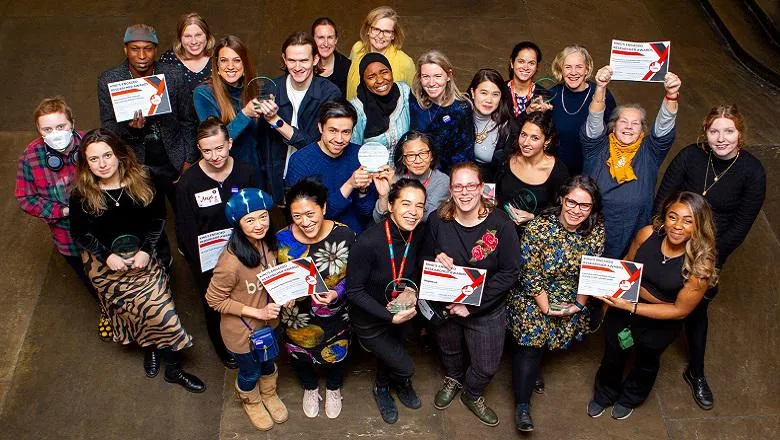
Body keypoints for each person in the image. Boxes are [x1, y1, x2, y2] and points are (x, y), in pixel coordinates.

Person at [69, 128, 204, 393]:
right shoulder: (82, 194)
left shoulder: (143, 178)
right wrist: (107, 257)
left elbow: (158, 219)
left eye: (107, 155)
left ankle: (174, 369)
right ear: (86, 163)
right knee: (131, 312)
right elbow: (79, 233)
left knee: (161, 313)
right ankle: (149, 348)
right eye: (94, 159)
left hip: (146, 257)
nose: (103, 164)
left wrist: (145, 250)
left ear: (118, 154)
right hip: (106, 265)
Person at [654, 104, 766, 410]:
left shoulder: (752, 172)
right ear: (705, 131)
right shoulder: (691, 156)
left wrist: (706, 259)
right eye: (714, 130)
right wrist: (660, 240)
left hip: (710, 252)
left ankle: (697, 372)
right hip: (672, 240)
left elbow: (741, 225)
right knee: (657, 294)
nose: (721, 138)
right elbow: (664, 198)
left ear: (740, 134)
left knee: (695, 310)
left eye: (729, 131)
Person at [589, 192, 718, 420]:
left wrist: (632, 306)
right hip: (624, 305)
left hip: (659, 322)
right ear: (665, 217)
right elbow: (627, 266)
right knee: (613, 353)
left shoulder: (700, 265)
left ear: (699, 225)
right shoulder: (647, 234)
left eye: (688, 221)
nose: (678, 226)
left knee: (646, 362)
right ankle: (604, 394)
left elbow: (679, 311)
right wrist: (610, 304)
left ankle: (630, 397)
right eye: (673, 217)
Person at [424, 162, 521, 427]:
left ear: (481, 188)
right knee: (450, 352)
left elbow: (510, 272)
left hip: (485, 309)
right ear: (451, 190)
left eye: (470, 186)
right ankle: (454, 378)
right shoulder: (437, 220)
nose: (464, 192)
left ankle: (472, 393)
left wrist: (472, 305)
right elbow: (423, 257)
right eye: (458, 186)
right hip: (446, 304)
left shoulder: (500, 223)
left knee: (487, 366)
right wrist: (435, 257)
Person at [507, 175, 605, 432]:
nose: (576, 210)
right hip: (534, 294)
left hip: (572, 295)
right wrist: (546, 307)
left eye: (585, 206)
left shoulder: (596, 230)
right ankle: (522, 405)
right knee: (531, 343)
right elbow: (529, 273)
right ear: (562, 199)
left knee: (545, 341)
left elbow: (591, 271)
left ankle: (534, 367)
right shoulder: (539, 227)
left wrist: (579, 304)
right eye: (572, 202)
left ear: (593, 208)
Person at [15, 97, 111, 341]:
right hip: (67, 236)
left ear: (72, 124)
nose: (55, 133)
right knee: (90, 278)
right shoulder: (31, 157)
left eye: (60, 127)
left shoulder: (93, 144)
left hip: (104, 228)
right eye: (47, 129)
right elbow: (26, 198)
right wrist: (64, 211)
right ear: (39, 131)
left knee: (115, 270)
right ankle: (108, 311)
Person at [175, 117, 258, 368]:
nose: (214, 156)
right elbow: (186, 231)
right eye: (207, 150)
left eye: (219, 148)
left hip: (247, 251)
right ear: (199, 150)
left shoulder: (246, 172)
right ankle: (224, 348)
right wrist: (202, 267)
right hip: (210, 259)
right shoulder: (189, 183)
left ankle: (254, 339)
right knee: (216, 303)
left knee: (249, 297)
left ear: (229, 143)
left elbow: (258, 211)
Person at [206, 188, 288, 431]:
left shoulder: (268, 245)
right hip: (242, 334)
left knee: (269, 363)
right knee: (250, 371)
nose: (259, 225)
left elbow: (271, 280)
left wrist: (285, 297)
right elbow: (214, 300)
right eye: (249, 220)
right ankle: (251, 401)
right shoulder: (230, 263)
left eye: (263, 216)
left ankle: (269, 394)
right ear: (238, 224)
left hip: (269, 327)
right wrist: (258, 313)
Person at [346, 179, 427, 424]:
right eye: (406, 204)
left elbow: (416, 268)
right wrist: (389, 316)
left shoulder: (419, 232)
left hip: (400, 308)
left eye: (420, 206)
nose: (413, 212)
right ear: (390, 205)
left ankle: (387, 386)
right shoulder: (368, 241)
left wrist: (412, 290)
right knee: (405, 366)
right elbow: (354, 291)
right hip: (371, 318)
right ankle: (391, 384)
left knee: (390, 354)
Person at [276, 179, 356, 419]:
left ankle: (333, 388)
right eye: (297, 215)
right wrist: (282, 295)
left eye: (310, 213)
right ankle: (310, 388)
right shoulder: (281, 238)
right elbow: (274, 274)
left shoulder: (344, 234)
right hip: (296, 315)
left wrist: (336, 293)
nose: (305, 222)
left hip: (335, 312)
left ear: (323, 208)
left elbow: (358, 275)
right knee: (298, 353)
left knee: (337, 352)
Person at [581, 66, 681, 258]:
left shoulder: (650, 151)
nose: (628, 127)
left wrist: (671, 94)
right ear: (613, 125)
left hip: (632, 234)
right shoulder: (596, 147)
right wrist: (600, 88)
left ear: (642, 129)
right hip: (590, 231)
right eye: (623, 121)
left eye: (635, 123)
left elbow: (664, 127)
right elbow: (594, 119)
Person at [97, 24, 198, 207]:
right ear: (125, 49)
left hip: (173, 159)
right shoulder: (109, 80)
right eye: (135, 49)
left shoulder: (173, 75)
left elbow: (188, 121)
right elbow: (108, 125)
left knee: (187, 212)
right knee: (147, 219)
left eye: (148, 49)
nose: (142, 56)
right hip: (136, 162)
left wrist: (188, 161)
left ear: (156, 50)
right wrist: (130, 128)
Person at [254, 32, 341, 202]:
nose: (298, 67)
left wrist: (275, 121)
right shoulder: (271, 89)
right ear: (284, 60)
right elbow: (259, 140)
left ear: (315, 59)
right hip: (275, 179)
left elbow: (313, 145)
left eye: (304, 60)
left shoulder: (329, 93)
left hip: (313, 178)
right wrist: (255, 111)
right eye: (292, 60)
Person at [285, 101, 378, 233]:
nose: (339, 139)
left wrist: (363, 191)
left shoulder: (361, 156)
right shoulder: (301, 161)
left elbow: (367, 212)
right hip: (315, 238)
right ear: (320, 127)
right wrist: (349, 185)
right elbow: (306, 217)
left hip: (355, 235)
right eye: (333, 131)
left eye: (346, 132)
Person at [194, 35, 264, 179]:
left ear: (244, 65)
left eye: (237, 60)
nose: (230, 66)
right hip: (224, 172)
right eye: (224, 61)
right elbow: (213, 140)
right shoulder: (204, 93)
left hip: (256, 170)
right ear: (217, 66)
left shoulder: (256, 89)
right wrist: (245, 114)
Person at [496, 111, 569, 235]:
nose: (525, 143)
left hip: (536, 237)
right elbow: (496, 195)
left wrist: (532, 216)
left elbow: (561, 209)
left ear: (547, 141)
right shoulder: (507, 159)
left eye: (534, 138)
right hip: (502, 231)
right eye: (523, 135)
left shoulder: (558, 171)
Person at [549, 45, 616, 175]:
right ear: (560, 70)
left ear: (587, 69)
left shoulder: (601, 94)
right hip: (557, 171)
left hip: (592, 171)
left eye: (579, 67)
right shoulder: (553, 94)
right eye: (568, 67)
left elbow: (614, 132)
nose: (573, 72)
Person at [410, 50, 474, 174]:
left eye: (438, 76)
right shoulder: (413, 101)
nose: (431, 83)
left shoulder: (461, 108)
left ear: (448, 76)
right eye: (426, 77)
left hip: (446, 177)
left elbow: (464, 153)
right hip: (415, 173)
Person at [373, 130, 449, 222]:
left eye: (423, 153)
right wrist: (384, 196)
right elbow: (378, 219)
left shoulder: (443, 181)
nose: (418, 161)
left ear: (431, 156)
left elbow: (427, 218)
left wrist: (398, 188)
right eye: (411, 155)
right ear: (403, 160)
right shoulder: (394, 177)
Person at [345, 6, 415, 100]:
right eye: (376, 29)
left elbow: (414, 98)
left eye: (386, 31)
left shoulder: (405, 62)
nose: (380, 36)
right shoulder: (357, 49)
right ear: (368, 30)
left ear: (393, 35)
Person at [349, 53, 411, 158]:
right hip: (374, 172)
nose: (380, 80)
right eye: (371, 77)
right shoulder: (356, 109)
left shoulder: (404, 92)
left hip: (407, 169)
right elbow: (354, 152)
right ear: (363, 81)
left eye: (384, 72)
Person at [467, 68, 520, 181]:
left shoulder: (507, 127)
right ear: (473, 92)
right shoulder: (459, 115)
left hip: (490, 185)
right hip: (458, 181)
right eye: (483, 93)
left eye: (495, 94)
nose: (489, 100)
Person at [159, 12, 214, 92]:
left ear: (207, 35)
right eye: (188, 36)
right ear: (180, 39)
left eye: (198, 35)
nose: (194, 41)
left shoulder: (218, 57)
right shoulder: (168, 60)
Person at [506, 41, 551, 117]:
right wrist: (527, 112)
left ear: (537, 67)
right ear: (512, 63)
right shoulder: (499, 90)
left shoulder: (544, 96)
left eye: (531, 63)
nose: (525, 67)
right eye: (521, 61)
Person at [312, 17, 351, 98]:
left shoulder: (347, 66)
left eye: (330, 37)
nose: (326, 43)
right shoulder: (304, 65)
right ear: (313, 40)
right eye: (321, 37)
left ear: (336, 40)